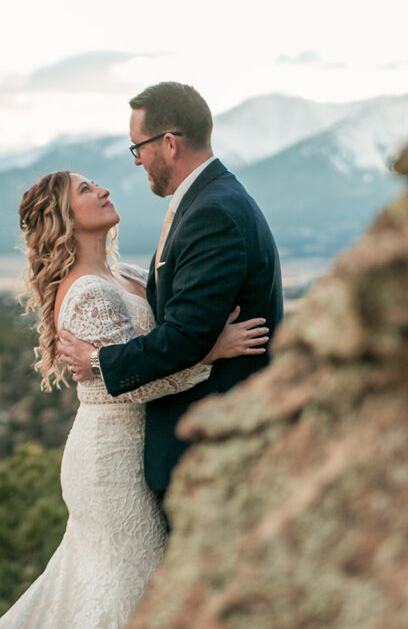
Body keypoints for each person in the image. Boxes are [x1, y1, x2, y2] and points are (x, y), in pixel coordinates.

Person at [0, 170, 268, 629]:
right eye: (86, 190)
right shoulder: (87, 291)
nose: (103, 190)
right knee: (130, 589)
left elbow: (158, 346)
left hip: (137, 451)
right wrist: (212, 352)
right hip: (110, 462)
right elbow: (132, 385)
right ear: (65, 219)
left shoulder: (126, 275)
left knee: (121, 585)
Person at [58, 81, 284, 515]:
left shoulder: (211, 212)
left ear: (169, 143)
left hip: (209, 449)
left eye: (137, 147)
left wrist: (96, 362)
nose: (138, 159)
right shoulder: (208, 201)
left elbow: (183, 337)